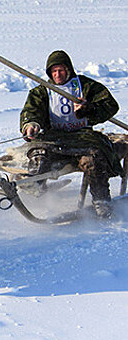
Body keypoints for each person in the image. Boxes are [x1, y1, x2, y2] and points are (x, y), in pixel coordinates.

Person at [20, 50, 121, 218]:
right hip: (54, 137)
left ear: (69, 70)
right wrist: (31, 124)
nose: (57, 74)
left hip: (83, 137)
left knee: (93, 160)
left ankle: (101, 201)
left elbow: (110, 105)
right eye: (54, 71)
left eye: (61, 70)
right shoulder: (42, 91)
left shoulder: (85, 86)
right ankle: (32, 192)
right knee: (39, 155)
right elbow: (32, 111)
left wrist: (89, 109)